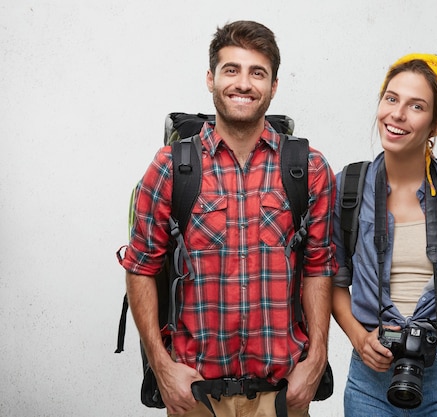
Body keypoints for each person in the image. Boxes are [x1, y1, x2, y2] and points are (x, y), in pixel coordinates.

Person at [122, 20, 337, 417]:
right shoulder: (172, 167)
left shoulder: (308, 168)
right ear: (210, 78)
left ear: (273, 86)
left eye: (258, 73)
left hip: (281, 396)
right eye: (231, 70)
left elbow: (319, 267)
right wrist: (161, 367)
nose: (244, 83)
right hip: (196, 397)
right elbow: (140, 268)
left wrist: (316, 361)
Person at [331, 53, 437, 416]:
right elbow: (333, 280)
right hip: (370, 373)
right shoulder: (348, 186)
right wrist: (360, 340)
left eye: (416, 106)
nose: (397, 114)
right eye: (391, 98)